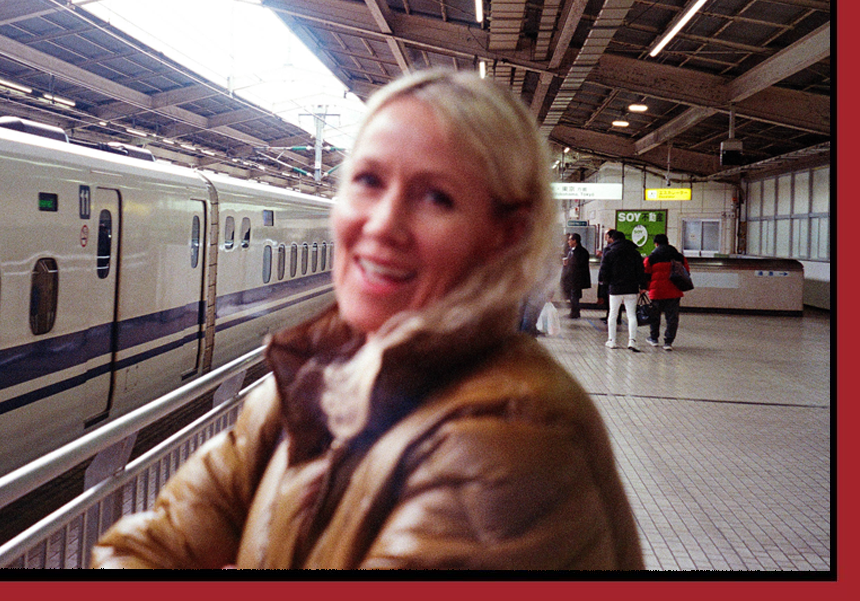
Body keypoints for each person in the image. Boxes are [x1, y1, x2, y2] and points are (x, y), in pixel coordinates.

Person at [90, 69, 644, 570]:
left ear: (507, 234)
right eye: (368, 181)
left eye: (437, 197)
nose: (382, 225)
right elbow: (149, 546)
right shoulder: (315, 374)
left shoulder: (513, 443)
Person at [597, 229, 645, 351]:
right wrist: (643, 286)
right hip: (631, 288)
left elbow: (603, 271)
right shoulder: (635, 253)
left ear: (613, 239)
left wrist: (606, 284)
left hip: (615, 288)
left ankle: (612, 340)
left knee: (613, 314)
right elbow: (641, 270)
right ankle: (632, 341)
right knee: (631, 315)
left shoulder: (610, 252)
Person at [644, 233, 690, 351]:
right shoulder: (679, 257)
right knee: (672, 318)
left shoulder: (651, 258)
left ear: (656, 244)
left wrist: (647, 288)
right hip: (674, 291)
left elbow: (645, 275)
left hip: (657, 291)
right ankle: (668, 342)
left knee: (655, 316)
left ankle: (654, 338)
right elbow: (686, 273)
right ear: (667, 242)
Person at [560, 233, 591, 319]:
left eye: (570, 239)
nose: (568, 241)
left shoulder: (582, 252)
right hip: (570, 278)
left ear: (575, 241)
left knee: (575, 296)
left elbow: (580, 264)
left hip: (577, 278)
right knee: (572, 296)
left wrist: (569, 262)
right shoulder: (570, 251)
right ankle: (574, 311)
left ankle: (574, 312)